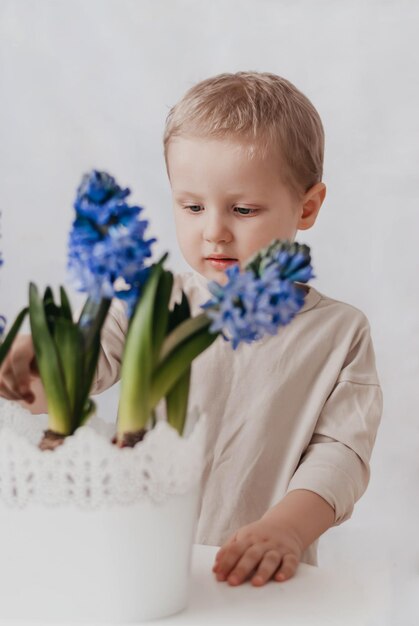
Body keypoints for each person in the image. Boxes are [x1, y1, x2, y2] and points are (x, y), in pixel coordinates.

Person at [0, 72, 382, 588]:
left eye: (243, 209)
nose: (214, 231)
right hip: (137, 563)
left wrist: (286, 531)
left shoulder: (340, 333)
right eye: (192, 206)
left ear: (308, 207)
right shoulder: (148, 302)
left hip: (258, 577)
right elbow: (73, 374)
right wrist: (26, 369)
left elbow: (342, 456)